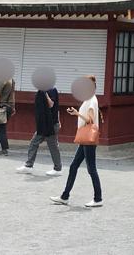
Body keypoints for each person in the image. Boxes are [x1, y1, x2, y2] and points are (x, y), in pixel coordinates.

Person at [51, 75, 102, 208]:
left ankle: (98, 198)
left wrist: (76, 114)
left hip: (88, 139)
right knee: (74, 166)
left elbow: (90, 120)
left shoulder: (91, 100)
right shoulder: (89, 99)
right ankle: (65, 196)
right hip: (85, 140)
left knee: (91, 169)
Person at [17, 84, 62, 175]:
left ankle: (57, 168)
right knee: (35, 142)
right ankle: (29, 165)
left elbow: (52, 105)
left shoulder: (51, 89)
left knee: (51, 146)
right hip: (45, 124)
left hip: (50, 124)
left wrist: (44, 93)